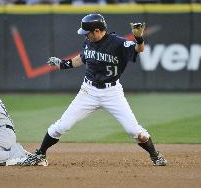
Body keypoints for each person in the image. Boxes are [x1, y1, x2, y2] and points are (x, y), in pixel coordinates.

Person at [22, 14, 168, 166]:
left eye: (87, 33)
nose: (85, 36)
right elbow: (81, 58)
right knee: (62, 126)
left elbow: (139, 49)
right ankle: (40, 153)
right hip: (88, 91)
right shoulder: (89, 41)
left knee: (135, 131)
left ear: (97, 31)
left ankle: (155, 155)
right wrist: (62, 64)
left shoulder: (118, 43)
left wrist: (139, 38)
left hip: (112, 93)